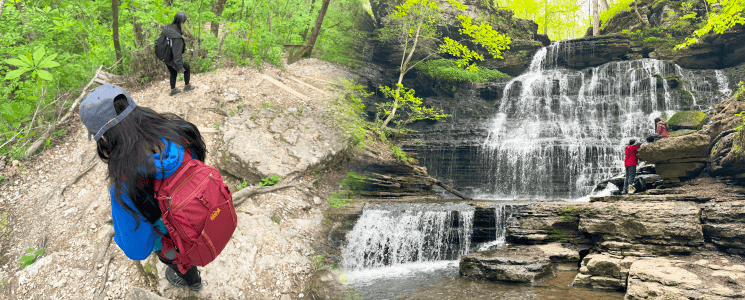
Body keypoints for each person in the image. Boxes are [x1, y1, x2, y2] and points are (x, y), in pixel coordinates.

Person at [79, 84, 206, 291]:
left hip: (174, 238)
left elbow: (137, 250)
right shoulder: (182, 131)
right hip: (201, 210)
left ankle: (193, 281)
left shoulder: (126, 186)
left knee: (176, 258)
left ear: (103, 136)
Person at [162, 12, 195, 96]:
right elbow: (177, 56)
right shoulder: (177, 38)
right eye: (183, 22)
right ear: (180, 22)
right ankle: (187, 86)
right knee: (187, 68)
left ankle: (173, 89)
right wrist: (180, 67)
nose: (184, 24)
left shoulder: (168, 28)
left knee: (173, 73)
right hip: (172, 58)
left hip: (165, 56)